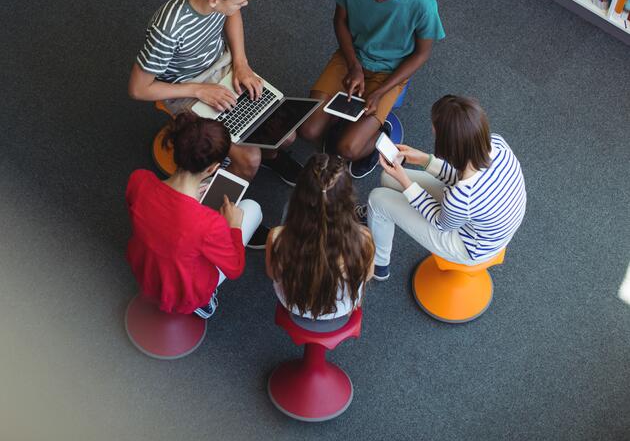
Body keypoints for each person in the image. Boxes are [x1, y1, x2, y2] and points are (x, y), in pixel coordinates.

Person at [127, 0, 302, 192]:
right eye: (241, 1)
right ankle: (211, 207)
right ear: (214, 1)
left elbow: (233, 13)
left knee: (287, 134)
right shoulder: (167, 31)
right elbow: (138, 89)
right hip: (184, 88)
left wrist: (241, 63)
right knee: (250, 160)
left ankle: (270, 157)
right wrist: (199, 90)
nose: (245, 4)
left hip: (221, 64)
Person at [299, 0, 445, 178]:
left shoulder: (424, 5)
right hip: (352, 58)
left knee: (348, 149)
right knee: (308, 129)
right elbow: (340, 22)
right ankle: (352, 123)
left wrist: (380, 92)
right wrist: (354, 65)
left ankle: (380, 133)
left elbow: (421, 54)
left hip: (390, 73)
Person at [364, 95, 527, 281]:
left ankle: (379, 265)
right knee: (387, 178)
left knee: (377, 199)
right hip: (488, 224)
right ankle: (376, 218)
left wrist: (405, 181)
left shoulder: (461, 197)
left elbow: (439, 222)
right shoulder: (497, 144)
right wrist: (425, 160)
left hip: (469, 246)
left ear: (448, 143)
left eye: (435, 131)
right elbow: (463, 174)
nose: (432, 131)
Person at [125, 112, 262, 319]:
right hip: (185, 295)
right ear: (214, 168)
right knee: (251, 208)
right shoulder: (211, 224)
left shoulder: (139, 179)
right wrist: (233, 226)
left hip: (144, 270)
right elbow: (234, 268)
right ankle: (203, 303)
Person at [265, 154, 375, 332]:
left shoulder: (277, 236)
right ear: (348, 198)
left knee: (286, 210)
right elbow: (367, 276)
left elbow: (272, 273)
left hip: (293, 305)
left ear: (300, 193)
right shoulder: (363, 238)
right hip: (342, 309)